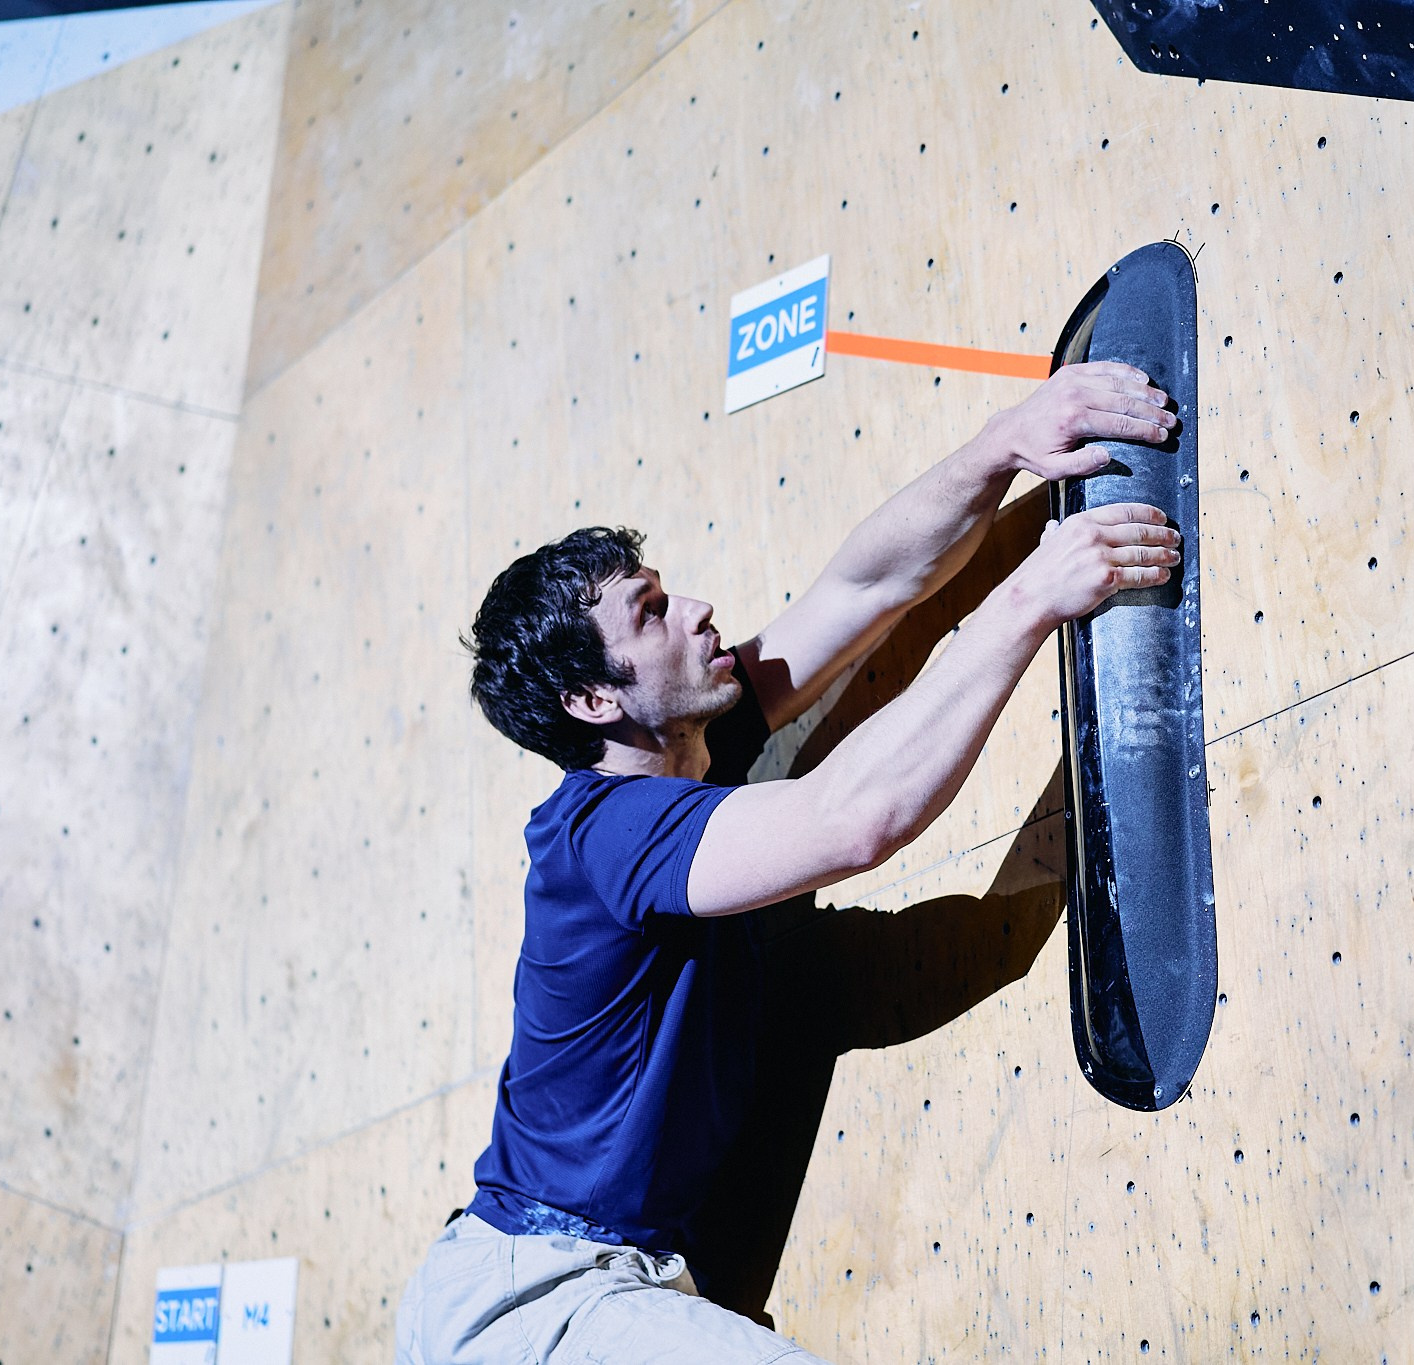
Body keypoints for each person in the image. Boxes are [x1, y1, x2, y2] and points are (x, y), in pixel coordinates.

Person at [394, 362, 1181, 1364]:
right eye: (650, 615)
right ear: (594, 703)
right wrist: (1027, 599)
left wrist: (1004, 441)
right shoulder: (607, 833)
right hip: (530, 1298)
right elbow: (853, 818)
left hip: (586, 1282)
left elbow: (870, 585)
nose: (695, 612)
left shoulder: (696, 751)